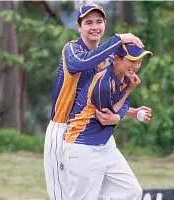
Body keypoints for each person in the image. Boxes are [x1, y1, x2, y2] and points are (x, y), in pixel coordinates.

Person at [44, 3, 152, 200]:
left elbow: (102, 102)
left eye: (99, 22)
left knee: (129, 192)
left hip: (92, 132)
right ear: (79, 27)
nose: (95, 27)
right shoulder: (72, 50)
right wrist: (118, 39)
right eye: (88, 23)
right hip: (63, 131)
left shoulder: (109, 58)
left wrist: (130, 112)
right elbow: (83, 62)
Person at [63, 44, 152, 200]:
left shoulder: (122, 75)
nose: (136, 66)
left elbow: (118, 108)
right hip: (82, 145)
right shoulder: (103, 83)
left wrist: (131, 112)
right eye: (132, 60)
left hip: (104, 143)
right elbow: (108, 117)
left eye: (139, 61)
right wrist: (129, 91)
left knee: (131, 191)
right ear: (117, 59)